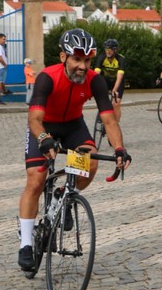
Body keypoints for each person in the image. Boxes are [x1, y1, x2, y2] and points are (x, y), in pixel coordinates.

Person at [17, 28, 132, 271]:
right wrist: (44, 139)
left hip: (73, 127)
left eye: (87, 60)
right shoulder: (47, 78)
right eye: (77, 59)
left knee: (90, 163)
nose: (83, 66)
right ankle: (26, 243)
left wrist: (119, 149)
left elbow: (109, 119)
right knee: (36, 180)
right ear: (63, 57)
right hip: (45, 126)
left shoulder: (94, 80)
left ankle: (63, 196)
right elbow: (34, 119)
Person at [93, 39, 127, 122]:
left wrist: (115, 89)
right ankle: (102, 114)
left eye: (110, 49)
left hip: (117, 82)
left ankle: (116, 123)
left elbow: (119, 77)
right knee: (101, 97)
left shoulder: (121, 59)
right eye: (106, 49)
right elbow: (96, 73)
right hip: (106, 80)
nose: (108, 51)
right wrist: (93, 85)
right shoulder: (101, 57)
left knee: (116, 102)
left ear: (115, 50)